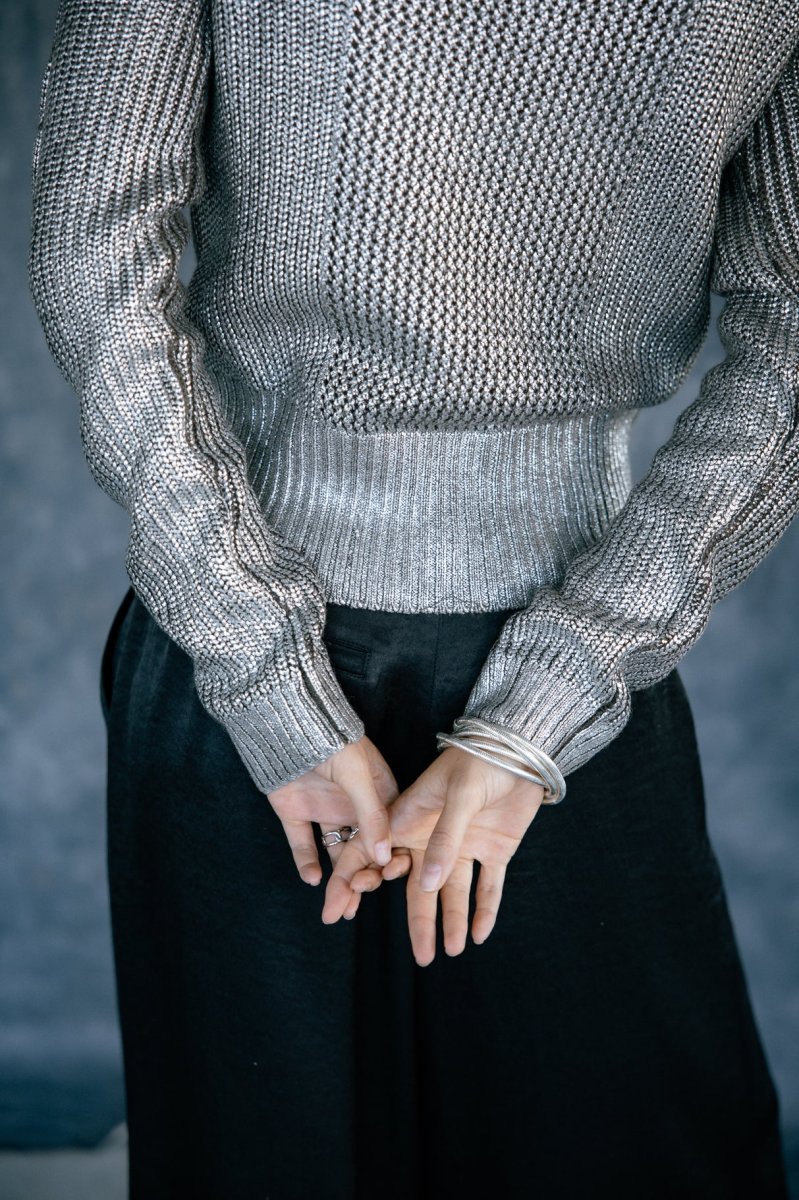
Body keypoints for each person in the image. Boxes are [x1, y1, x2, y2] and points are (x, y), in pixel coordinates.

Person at [28, 3, 798, 1197]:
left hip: (290, 654)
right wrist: (551, 695)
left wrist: (263, 655)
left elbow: (93, 243)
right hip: (487, 668)